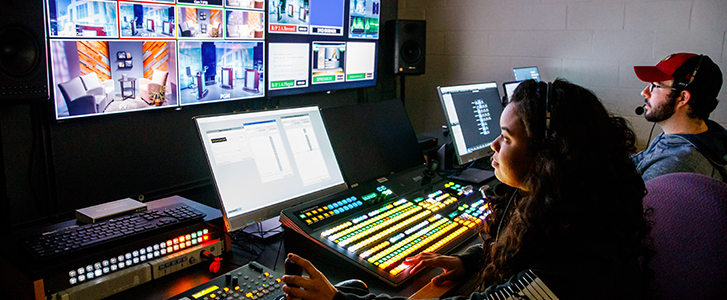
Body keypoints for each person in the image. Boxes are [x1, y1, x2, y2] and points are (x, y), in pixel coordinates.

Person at [281, 79, 653, 300]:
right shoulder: (573, 208)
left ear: (547, 156)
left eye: (506, 138)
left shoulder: (576, 266)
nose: (493, 145)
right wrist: (471, 261)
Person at [631, 53, 727, 182]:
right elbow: (640, 159)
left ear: (682, 98)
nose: (645, 92)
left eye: (655, 86)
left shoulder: (674, 167)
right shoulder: (692, 135)